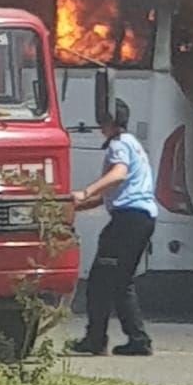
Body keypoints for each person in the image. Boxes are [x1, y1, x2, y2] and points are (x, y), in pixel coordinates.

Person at [69, 99, 157, 356]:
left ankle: (96, 339)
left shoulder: (118, 145)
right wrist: (75, 206)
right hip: (140, 218)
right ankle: (138, 339)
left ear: (108, 122)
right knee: (121, 281)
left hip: (127, 220)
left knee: (99, 280)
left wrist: (85, 191)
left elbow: (117, 175)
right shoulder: (133, 145)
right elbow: (112, 194)